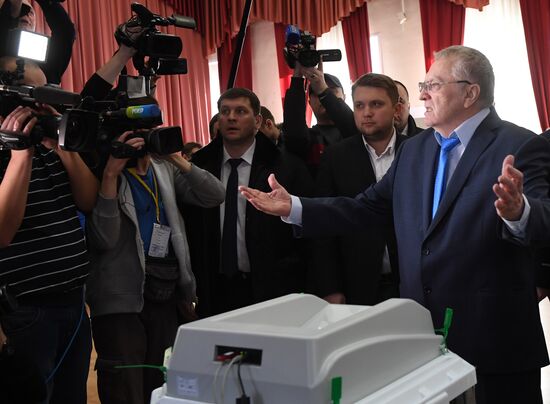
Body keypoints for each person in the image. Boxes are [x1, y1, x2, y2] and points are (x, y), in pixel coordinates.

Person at [240, 45, 550, 404]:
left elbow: (543, 219)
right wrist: (295, 207)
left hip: (495, 342)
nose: (421, 94)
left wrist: (519, 212)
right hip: (421, 339)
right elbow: (365, 208)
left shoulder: (519, 144)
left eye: (433, 84)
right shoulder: (416, 150)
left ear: (470, 92)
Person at [85, 129, 225, 404]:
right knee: (126, 387)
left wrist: (176, 158)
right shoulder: (104, 171)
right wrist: (111, 175)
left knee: (161, 382)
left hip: (165, 290)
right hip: (121, 301)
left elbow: (215, 195)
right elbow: (105, 237)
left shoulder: (164, 170)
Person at [0, 57, 99, 404]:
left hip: (74, 302)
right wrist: (19, 155)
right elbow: (2, 233)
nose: (46, 106)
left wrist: (62, 148)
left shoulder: (50, 145)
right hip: (28, 310)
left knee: (72, 397)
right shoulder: (10, 152)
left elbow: (88, 200)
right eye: (37, 98)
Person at [183, 87, 313, 317]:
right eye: (225, 111)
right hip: (214, 290)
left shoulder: (286, 167)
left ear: (257, 121)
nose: (231, 117)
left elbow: (308, 231)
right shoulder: (199, 166)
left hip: (273, 288)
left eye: (240, 111)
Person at [312, 73, 407, 305]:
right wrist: (330, 286)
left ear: (396, 109)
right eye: (359, 105)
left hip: (413, 280)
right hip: (358, 282)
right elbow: (325, 224)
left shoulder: (420, 148)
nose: (367, 112)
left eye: (376, 104)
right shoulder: (336, 157)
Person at [283, 62, 358, 176]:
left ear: (344, 97)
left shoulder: (357, 130)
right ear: (309, 103)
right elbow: (293, 132)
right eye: (316, 94)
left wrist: (323, 91)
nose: (321, 97)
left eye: (331, 91)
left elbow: (352, 126)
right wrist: (297, 78)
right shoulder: (308, 138)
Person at [0, 0, 75, 84]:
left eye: (31, 13)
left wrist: (46, 2)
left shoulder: (48, 59)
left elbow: (65, 32)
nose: (26, 15)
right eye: (22, 11)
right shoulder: (3, 46)